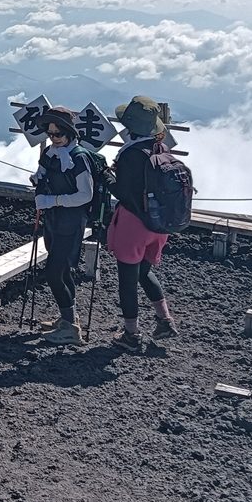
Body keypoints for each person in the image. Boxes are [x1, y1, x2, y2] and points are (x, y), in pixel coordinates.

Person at [106, 95, 180, 350]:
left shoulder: (130, 155)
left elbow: (123, 193)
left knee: (127, 279)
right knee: (144, 272)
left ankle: (131, 335)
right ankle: (164, 319)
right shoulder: (161, 150)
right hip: (159, 226)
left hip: (133, 224)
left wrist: (106, 177)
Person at [31, 107, 93, 345]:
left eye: (58, 133)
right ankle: (69, 319)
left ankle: (70, 328)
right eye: (50, 133)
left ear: (69, 132)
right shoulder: (51, 154)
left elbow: (85, 195)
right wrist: (39, 181)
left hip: (70, 221)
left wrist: (52, 200)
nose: (54, 137)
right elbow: (42, 174)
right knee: (62, 270)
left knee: (55, 271)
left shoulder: (78, 158)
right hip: (54, 219)